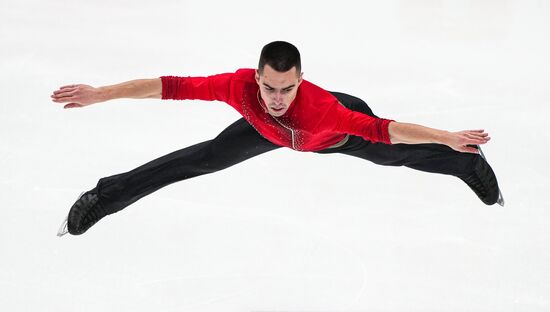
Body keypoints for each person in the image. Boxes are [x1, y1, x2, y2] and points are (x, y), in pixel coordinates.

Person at [51, 41, 503, 236]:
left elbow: (388, 130)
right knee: (205, 158)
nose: (278, 96)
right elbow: (166, 85)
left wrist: (449, 137)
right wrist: (100, 94)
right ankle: (106, 196)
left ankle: (469, 163)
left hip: (329, 135)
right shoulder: (237, 86)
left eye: (288, 88)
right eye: (270, 87)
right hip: (267, 133)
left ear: (302, 80)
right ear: (257, 76)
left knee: (395, 157)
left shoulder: (324, 109)